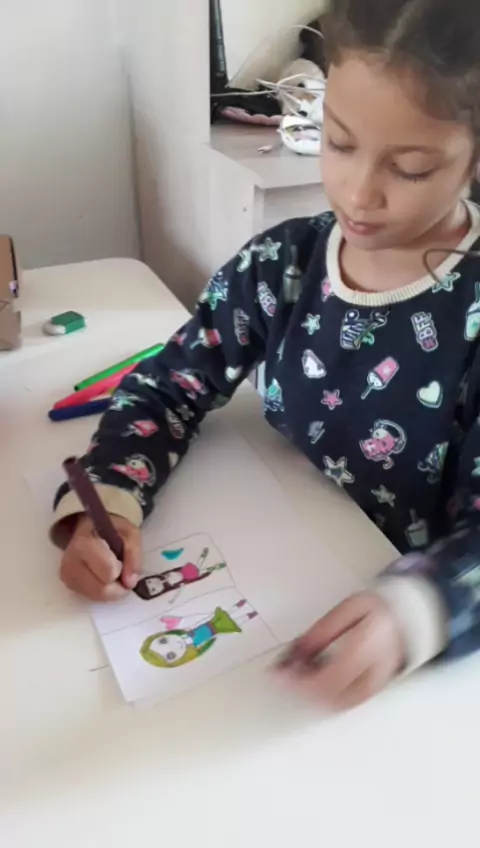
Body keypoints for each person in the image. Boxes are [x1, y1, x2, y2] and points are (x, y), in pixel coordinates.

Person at [52, 0, 480, 710]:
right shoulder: (283, 264)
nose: (358, 193)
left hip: (411, 684)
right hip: (277, 576)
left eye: (409, 168)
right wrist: (109, 500)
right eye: (337, 142)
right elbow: (170, 385)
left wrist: (418, 610)